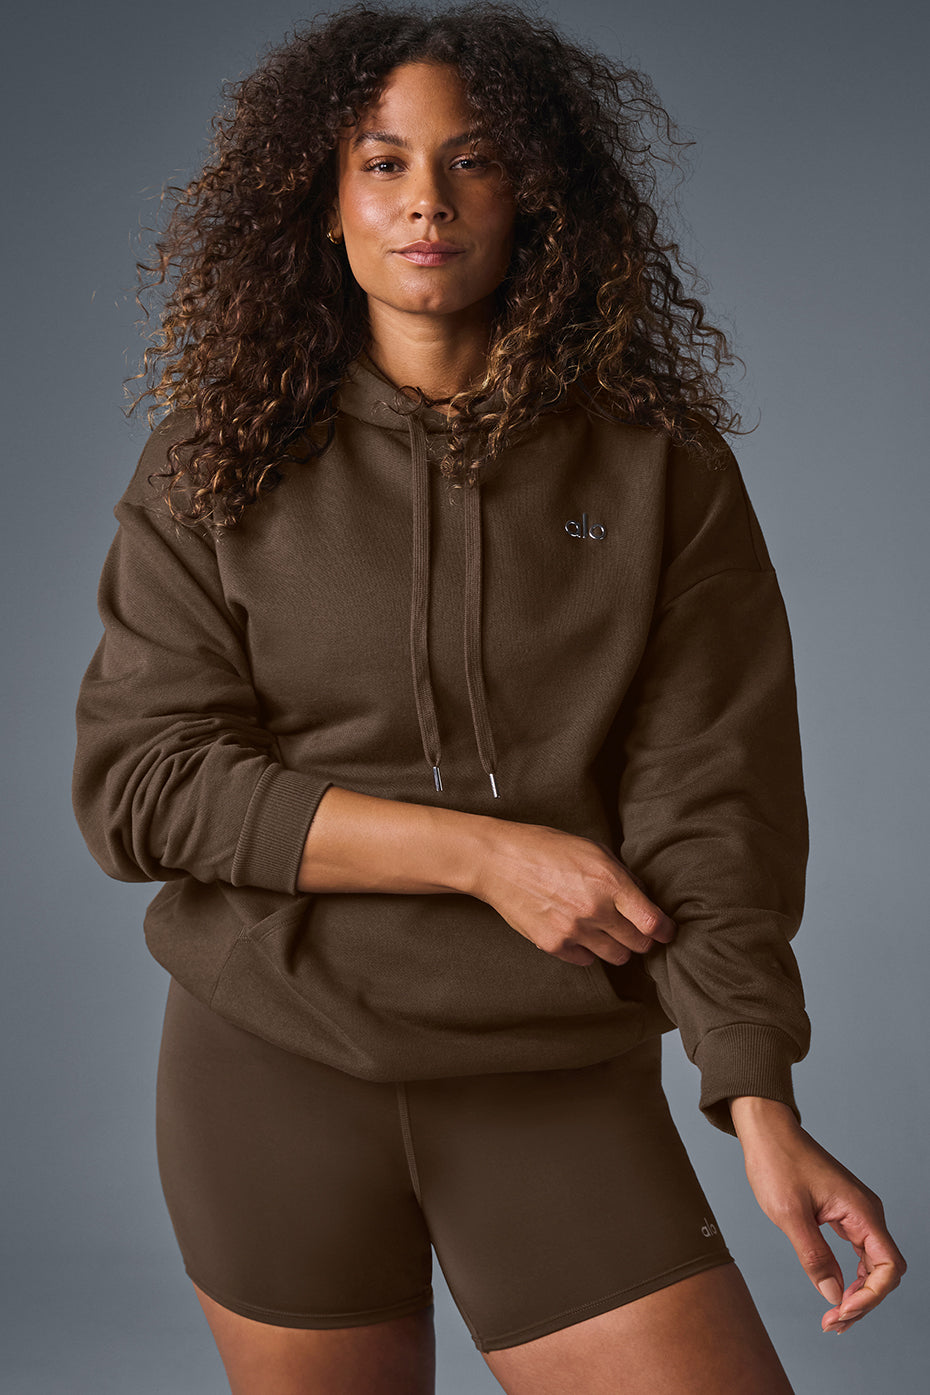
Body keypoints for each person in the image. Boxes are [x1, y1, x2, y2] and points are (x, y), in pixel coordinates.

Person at [71, 3, 906, 1391]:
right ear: (324, 204)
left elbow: (713, 802)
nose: (427, 201)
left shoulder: (658, 464)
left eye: (473, 160)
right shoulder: (214, 462)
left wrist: (755, 1092)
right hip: (271, 1064)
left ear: (536, 197)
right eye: (382, 163)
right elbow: (141, 786)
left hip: (551, 1074)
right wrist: (485, 857)